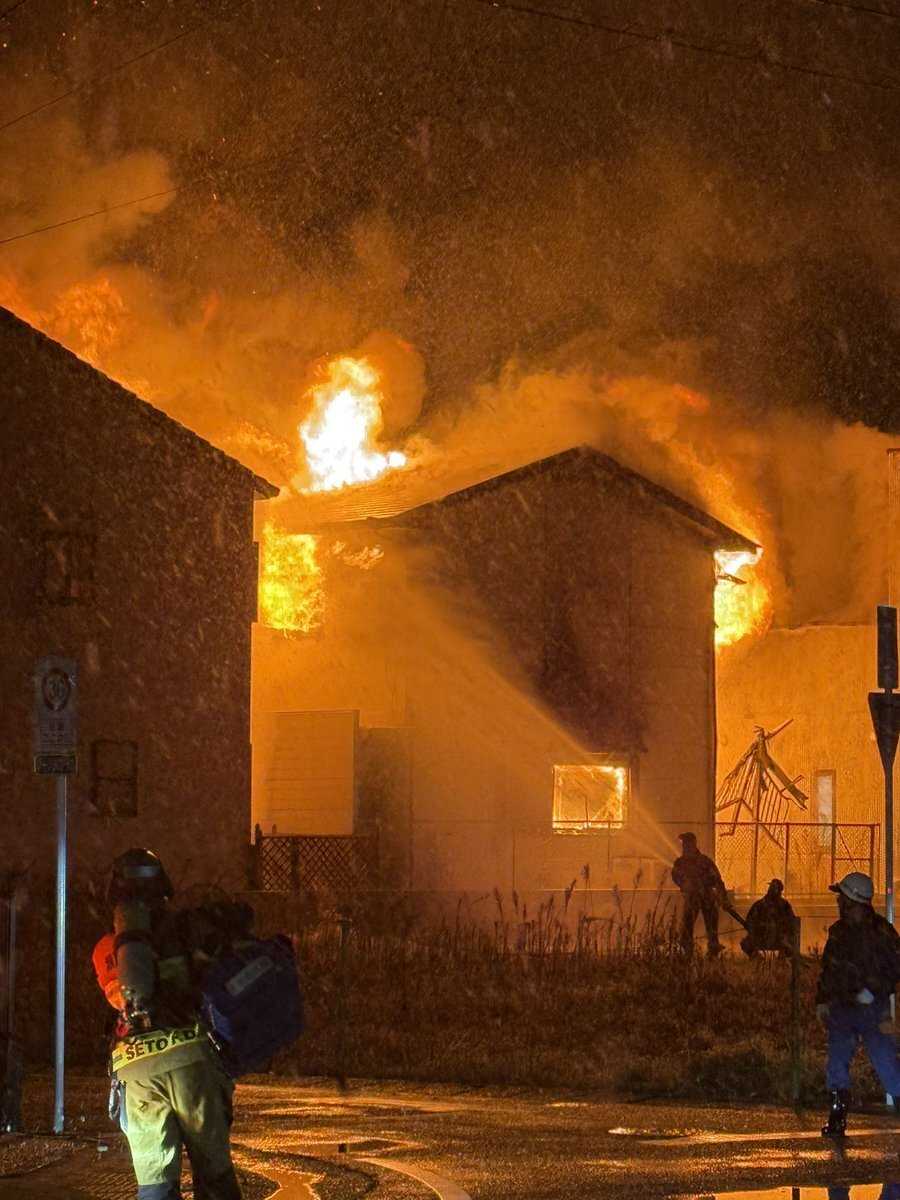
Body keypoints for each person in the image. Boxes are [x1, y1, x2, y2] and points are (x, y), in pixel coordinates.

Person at [92, 847, 251, 1200]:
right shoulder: (186, 928)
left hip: (136, 1069)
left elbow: (120, 999)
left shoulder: (106, 947)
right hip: (191, 1061)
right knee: (215, 1176)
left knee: (155, 1185)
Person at [817, 870, 900, 1139]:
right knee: (838, 1061)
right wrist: (822, 1001)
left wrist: (873, 991)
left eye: (841, 897)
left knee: (885, 1059)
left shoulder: (881, 933)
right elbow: (828, 970)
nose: (838, 902)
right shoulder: (839, 932)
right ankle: (837, 1118)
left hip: (872, 1009)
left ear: (852, 900)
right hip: (843, 1007)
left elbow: (895, 967)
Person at [671, 831, 726, 958]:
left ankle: (711, 952)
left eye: (686, 843)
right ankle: (689, 952)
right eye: (684, 844)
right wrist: (684, 886)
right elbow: (676, 876)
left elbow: (717, 879)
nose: (684, 846)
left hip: (704, 897)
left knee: (710, 926)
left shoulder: (701, 862)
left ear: (693, 844)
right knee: (688, 926)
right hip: (697, 896)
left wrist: (723, 897)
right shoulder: (684, 862)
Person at [740, 878, 796, 958]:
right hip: (761, 938)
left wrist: (781, 928)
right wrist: (759, 927)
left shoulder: (784, 905)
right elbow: (749, 922)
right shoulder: (760, 905)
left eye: (772, 888)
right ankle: (757, 958)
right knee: (746, 944)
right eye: (771, 888)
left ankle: (782, 959)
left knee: (789, 945)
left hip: (779, 939)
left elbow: (792, 922)